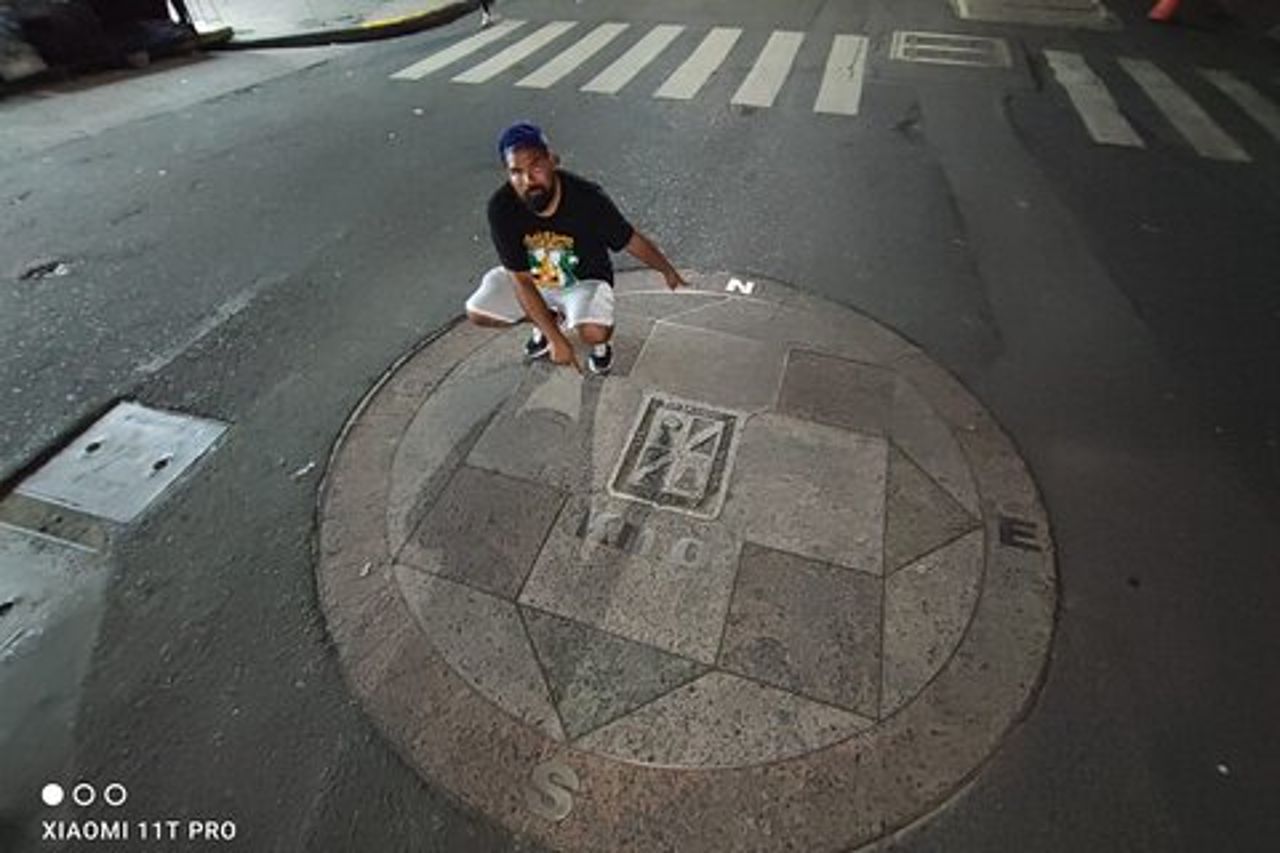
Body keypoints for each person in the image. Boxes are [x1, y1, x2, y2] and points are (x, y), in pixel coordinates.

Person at [465, 122, 687, 375]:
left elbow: (629, 239)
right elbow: (520, 280)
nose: (528, 180)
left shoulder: (588, 199)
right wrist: (556, 338)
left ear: (552, 160)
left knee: (594, 332)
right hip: (537, 280)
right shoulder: (501, 207)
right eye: (516, 172)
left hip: (583, 282)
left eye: (536, 167)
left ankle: (602, 347)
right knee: (477, 311)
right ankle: (546, 320)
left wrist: (666, 270)